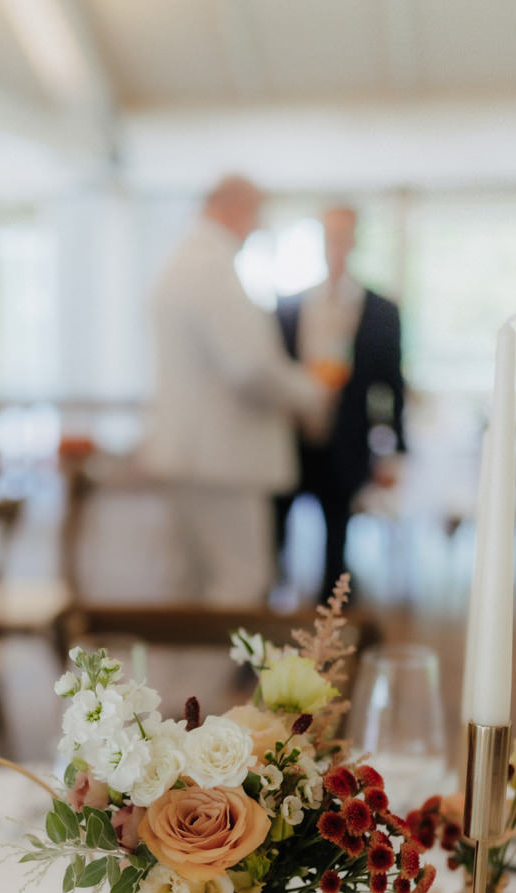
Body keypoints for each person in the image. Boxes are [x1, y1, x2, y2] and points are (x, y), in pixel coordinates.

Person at [141, 175, 328, 605]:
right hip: (221, 459)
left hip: (193, 455)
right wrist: (311, 392)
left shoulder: (181, 262)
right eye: (257, 213)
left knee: (189, 585)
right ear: (231, 208)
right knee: (239, 584)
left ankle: (176, 676)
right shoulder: (209, 266)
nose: (258, 226)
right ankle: (206, 677)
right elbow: (250, 367)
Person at [274, 204, 406, 601]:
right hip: (291, 442)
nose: (336, 245)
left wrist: (394, 451)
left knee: (336, 549)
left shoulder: (381, 311)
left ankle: (329, 634)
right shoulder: (289, 307)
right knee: (276, 538)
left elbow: (392, 385)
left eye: (343, 236)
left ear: (354, 242)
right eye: (330, 236)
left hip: (346, 443)